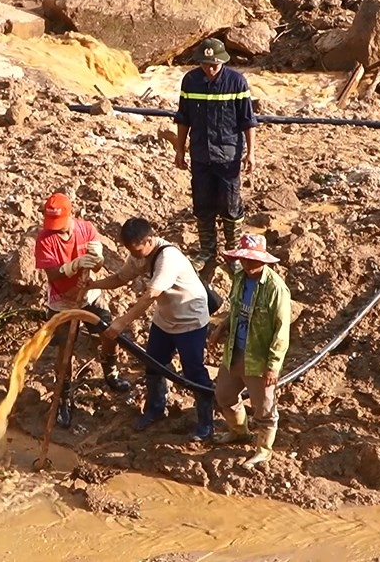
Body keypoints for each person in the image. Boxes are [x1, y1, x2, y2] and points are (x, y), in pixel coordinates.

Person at [85, 217, 215, 440]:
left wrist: (121, 322)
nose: (135, 256)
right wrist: (93, 284)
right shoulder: (138, 256)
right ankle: (155, 408)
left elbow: (150, 296)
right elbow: (120, 277)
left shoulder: (168, 258)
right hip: (165, 319)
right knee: (154, 364)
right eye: (131, 252)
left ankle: (206, 423)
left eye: (137, 251)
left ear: (150, 240)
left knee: (193, 371)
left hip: (189, 320)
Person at [34, 192, 131, 428]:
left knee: (109, 332)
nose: (56, 229)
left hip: (90, 297)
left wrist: (96, 259)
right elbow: (53, 275)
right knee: (65, 351)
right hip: (61, 302)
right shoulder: (45, 239)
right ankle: (64, 395)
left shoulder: (86, 229)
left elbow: (98, 265)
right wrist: (73, 265)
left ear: (72, 213)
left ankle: (111, 371)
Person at [173, 37, 259, 270]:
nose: (209, 69)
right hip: (200, 154)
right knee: (202, 203)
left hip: (228, 155)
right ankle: (207, 250)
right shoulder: (190, 81)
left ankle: (233, 252)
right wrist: (180, 149)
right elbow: (183, 118)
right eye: (205, 64)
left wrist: (250, 153)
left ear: (222, 62)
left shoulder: (236, 82)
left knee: (231, 204)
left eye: (214, 65)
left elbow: (248, 121)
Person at [209, 234, 290, 469]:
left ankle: (264, 450)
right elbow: (235, 310)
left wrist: (273, 365)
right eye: (245, 260)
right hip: (235, 350)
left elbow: (281, 331)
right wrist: (221, 328)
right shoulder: (239, 278)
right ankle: (239, 431)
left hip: (259, 358)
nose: (248, 265)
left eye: (253, 261)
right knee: (224, 395)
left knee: (264, 409)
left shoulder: (276, 289)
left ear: (264, 261)